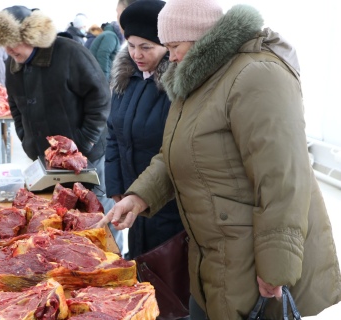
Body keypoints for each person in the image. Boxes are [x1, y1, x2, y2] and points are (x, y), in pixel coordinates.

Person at [97, 0, 341, 318]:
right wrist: (139, 197)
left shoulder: (257, 76)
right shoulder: (198, 80)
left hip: (253, 262)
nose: (170, 56)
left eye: (175, 46)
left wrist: (276, 268)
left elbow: (283, 181)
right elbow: (174, 153)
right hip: (214, 255)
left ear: (203, 38)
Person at [0, 5, 124, 253]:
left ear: (32, 35)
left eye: (16, 41)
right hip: (46, 161)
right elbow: (15, 105)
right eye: (5, 43)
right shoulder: (13, 63)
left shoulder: (69, 52)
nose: (11, 49)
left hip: (89, 158)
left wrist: (84, 143)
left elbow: (101, 97)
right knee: (60, 220)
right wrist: (27, 139)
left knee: (99, 217)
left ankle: (113, 265)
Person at [107, 0, 182, 263]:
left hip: (169, 203)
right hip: (132, 194)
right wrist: (116, 185)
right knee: (140, 259)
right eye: (131, 45)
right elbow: (113, 135)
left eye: (146, 47)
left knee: (167, 268)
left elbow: (177, 150)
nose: (136, 54)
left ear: (166, 46)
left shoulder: (176, 87)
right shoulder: (126, 79)